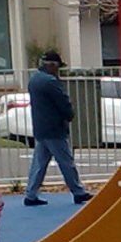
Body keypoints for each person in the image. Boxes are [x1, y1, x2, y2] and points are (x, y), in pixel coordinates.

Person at [22, 50, 92, 207]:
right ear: (52, 65)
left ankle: (31, 194)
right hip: (54, 129)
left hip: (41, 128)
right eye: (57, 67)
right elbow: (63, 103)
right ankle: (78, 192)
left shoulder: (34, 80)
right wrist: (69, 115)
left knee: (39, 163)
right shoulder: (50, 82)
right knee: (66, 161)